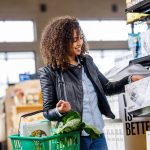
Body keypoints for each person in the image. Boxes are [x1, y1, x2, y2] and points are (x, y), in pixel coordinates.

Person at [38, 16, 143, 150]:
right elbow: (47, 112)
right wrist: (60, 110)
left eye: (80, 38)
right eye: (74, 40)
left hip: (97, 134)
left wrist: (130, 79)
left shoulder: (87, 62)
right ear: (61, 42)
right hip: (73, 138)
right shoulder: (49, 72)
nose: (80, 43)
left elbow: (107, 88)